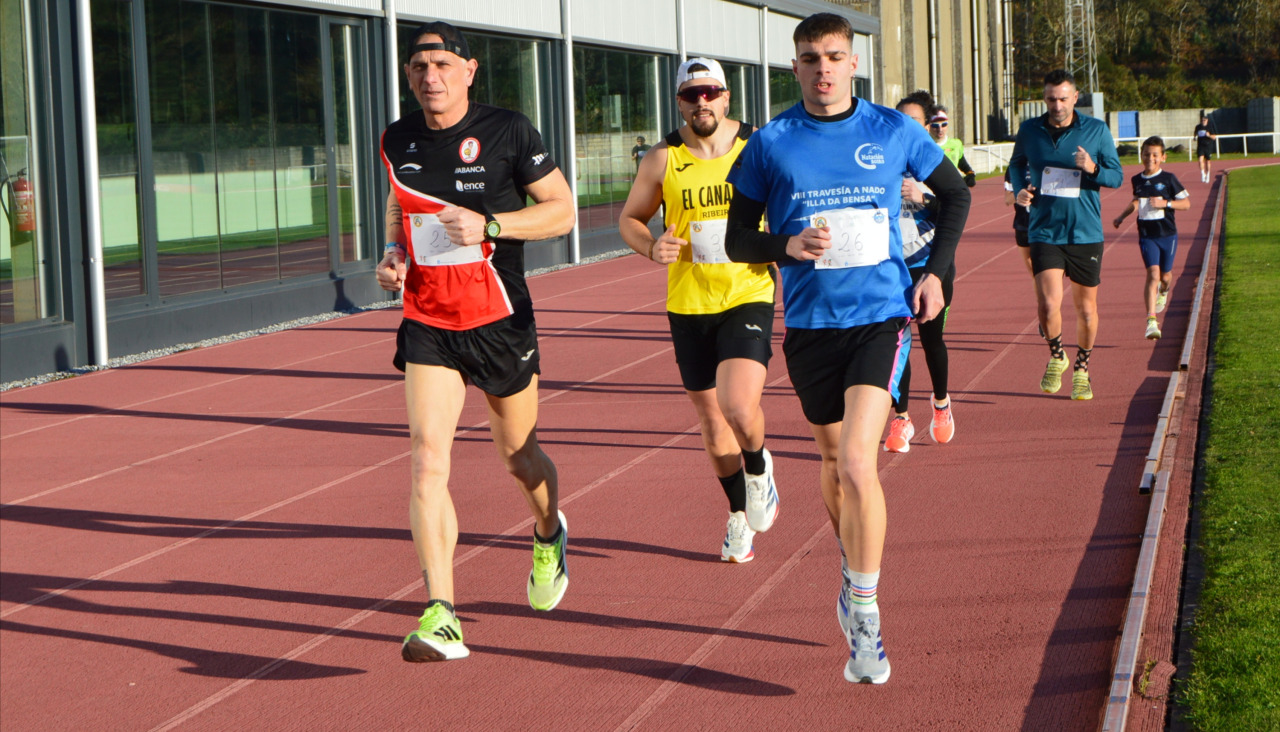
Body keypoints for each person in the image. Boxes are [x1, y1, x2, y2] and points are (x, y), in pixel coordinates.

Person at [725, 13, 970, 684]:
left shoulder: (893, 130)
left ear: (853, 63)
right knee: (833, 464)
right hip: (809, 327)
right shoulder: (771, 143)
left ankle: (865, 615)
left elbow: (954, 196)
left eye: (834, 56)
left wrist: (937, 274)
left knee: (860, 463)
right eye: (810, 58)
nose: (823, 68)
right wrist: (785, 246)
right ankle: (851, 567)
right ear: (795, 66)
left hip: (880, 320)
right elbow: (736, 240)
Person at [377, 21, 576, 663]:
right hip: (430, 319)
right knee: (427, 459)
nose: (429, 76)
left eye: (441, 64)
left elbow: (562, 211)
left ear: (469, 70)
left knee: (519, 455)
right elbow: (398, 204)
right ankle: (442, 613)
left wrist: (491, 222)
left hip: (499, 318)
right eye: (418, 67)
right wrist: (392, 255)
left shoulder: (509, 129)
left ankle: (548, 531)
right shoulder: (397, 138)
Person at [618, 58, 780, 563]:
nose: (702, 102)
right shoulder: (662, 159)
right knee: (712, 422)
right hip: (688, 301)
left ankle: (759, 468)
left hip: (746, 291)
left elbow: (787, 206)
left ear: (727, 96)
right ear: (680, 102)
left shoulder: (758, 147)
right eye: (692, 95)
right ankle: (738, 515)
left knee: (737, 404)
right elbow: (631, 218)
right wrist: (650, 248)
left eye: (710, 92)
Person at [1009, 69, 1122, 401]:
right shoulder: (1030, 130)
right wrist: (1020, 191)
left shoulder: (1097, 131)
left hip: (1085, 231)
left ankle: (1082, 368)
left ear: (1075, 97)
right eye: (1050, 99)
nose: (1056, 105)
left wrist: (1092, 168)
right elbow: (1016, 165)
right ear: (1044, 99)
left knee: (1086, 309)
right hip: (1044, 229)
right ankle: (1057, 355)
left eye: (1063, 98)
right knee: (1047, 303)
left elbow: (1116, 177)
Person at [883, 90, 956, 453]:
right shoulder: (883, 161)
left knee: (931, 342)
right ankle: (902, 417)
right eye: (899, 121)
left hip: (930, 267)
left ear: (927, 126)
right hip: (895, 268)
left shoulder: (936, 163)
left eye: (912, 122)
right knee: (898, 343)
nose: (904, 129)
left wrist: (923, 196)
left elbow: (957, 202)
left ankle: (941, 404)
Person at [1111, 136, 1190, 340]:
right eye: (1146, 154)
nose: (1150, 158)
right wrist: (1121, 216)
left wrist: (1166, 204)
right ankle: (1151, 321)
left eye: (1155, 155)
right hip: (1147, 235)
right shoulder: (1137, 180)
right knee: (1153, 275)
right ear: (1141, 156)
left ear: (1162, 157)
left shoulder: (1169, 179)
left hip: (1168, 235)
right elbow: (1137, 202)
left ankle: (1164, 291)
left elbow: (1186, 204)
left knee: (1165, 277)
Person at [929, 107, 977, 188]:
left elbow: (963, 164)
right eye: (935, 125)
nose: (940, 129)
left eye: (943, 125)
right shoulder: (925, 147)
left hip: (952, 192)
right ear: (928, 126)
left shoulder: (956, 144)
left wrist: (970, 174)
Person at [1194, 114, 1217, 184]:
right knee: (1200, 160)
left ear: (1207, 120)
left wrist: (1209, 135)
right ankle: (1203, 174)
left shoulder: (1210, 127)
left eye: (1204, 120)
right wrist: (1195, 137)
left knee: (1208, 161)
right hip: (1201, 146)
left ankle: (1208, 175)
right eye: (1202, 120)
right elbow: (1195, 134)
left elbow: (1214, 137)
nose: (1203, 121)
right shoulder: (1198, 127)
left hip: (1208, 146)